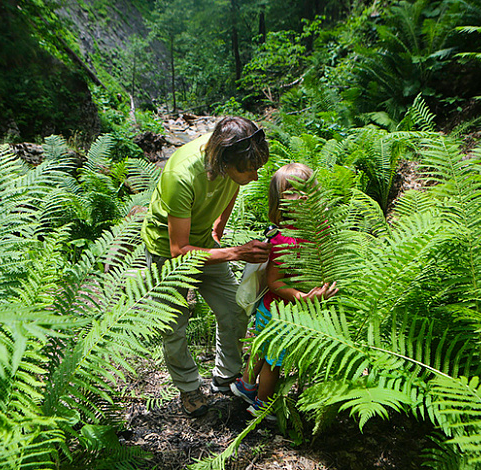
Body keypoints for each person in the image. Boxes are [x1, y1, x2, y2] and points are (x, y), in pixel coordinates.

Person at [141, 116, 271, 417]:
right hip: (167, 253)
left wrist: (218, 228)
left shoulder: (232, 161)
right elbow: (178, 250)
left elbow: (233, 190)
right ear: (224, 162)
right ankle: (188, 389)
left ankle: (225, 377)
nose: (255, 176)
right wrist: (236, 252)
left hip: (204, 243)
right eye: (249, 170)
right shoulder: (182, 174)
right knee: (173, 327)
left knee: (234, 309)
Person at [230, 163, 338, 420]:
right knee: (273, 361)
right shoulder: (285, 240)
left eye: (305, 189)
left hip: (278, 309)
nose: (300, 195)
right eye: (291, 191)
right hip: (281, 311)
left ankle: (246, 384)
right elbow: (275, 281)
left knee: (262, 347)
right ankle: (262, 405)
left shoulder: (316, 233)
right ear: (279, 202)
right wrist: (303, 297)